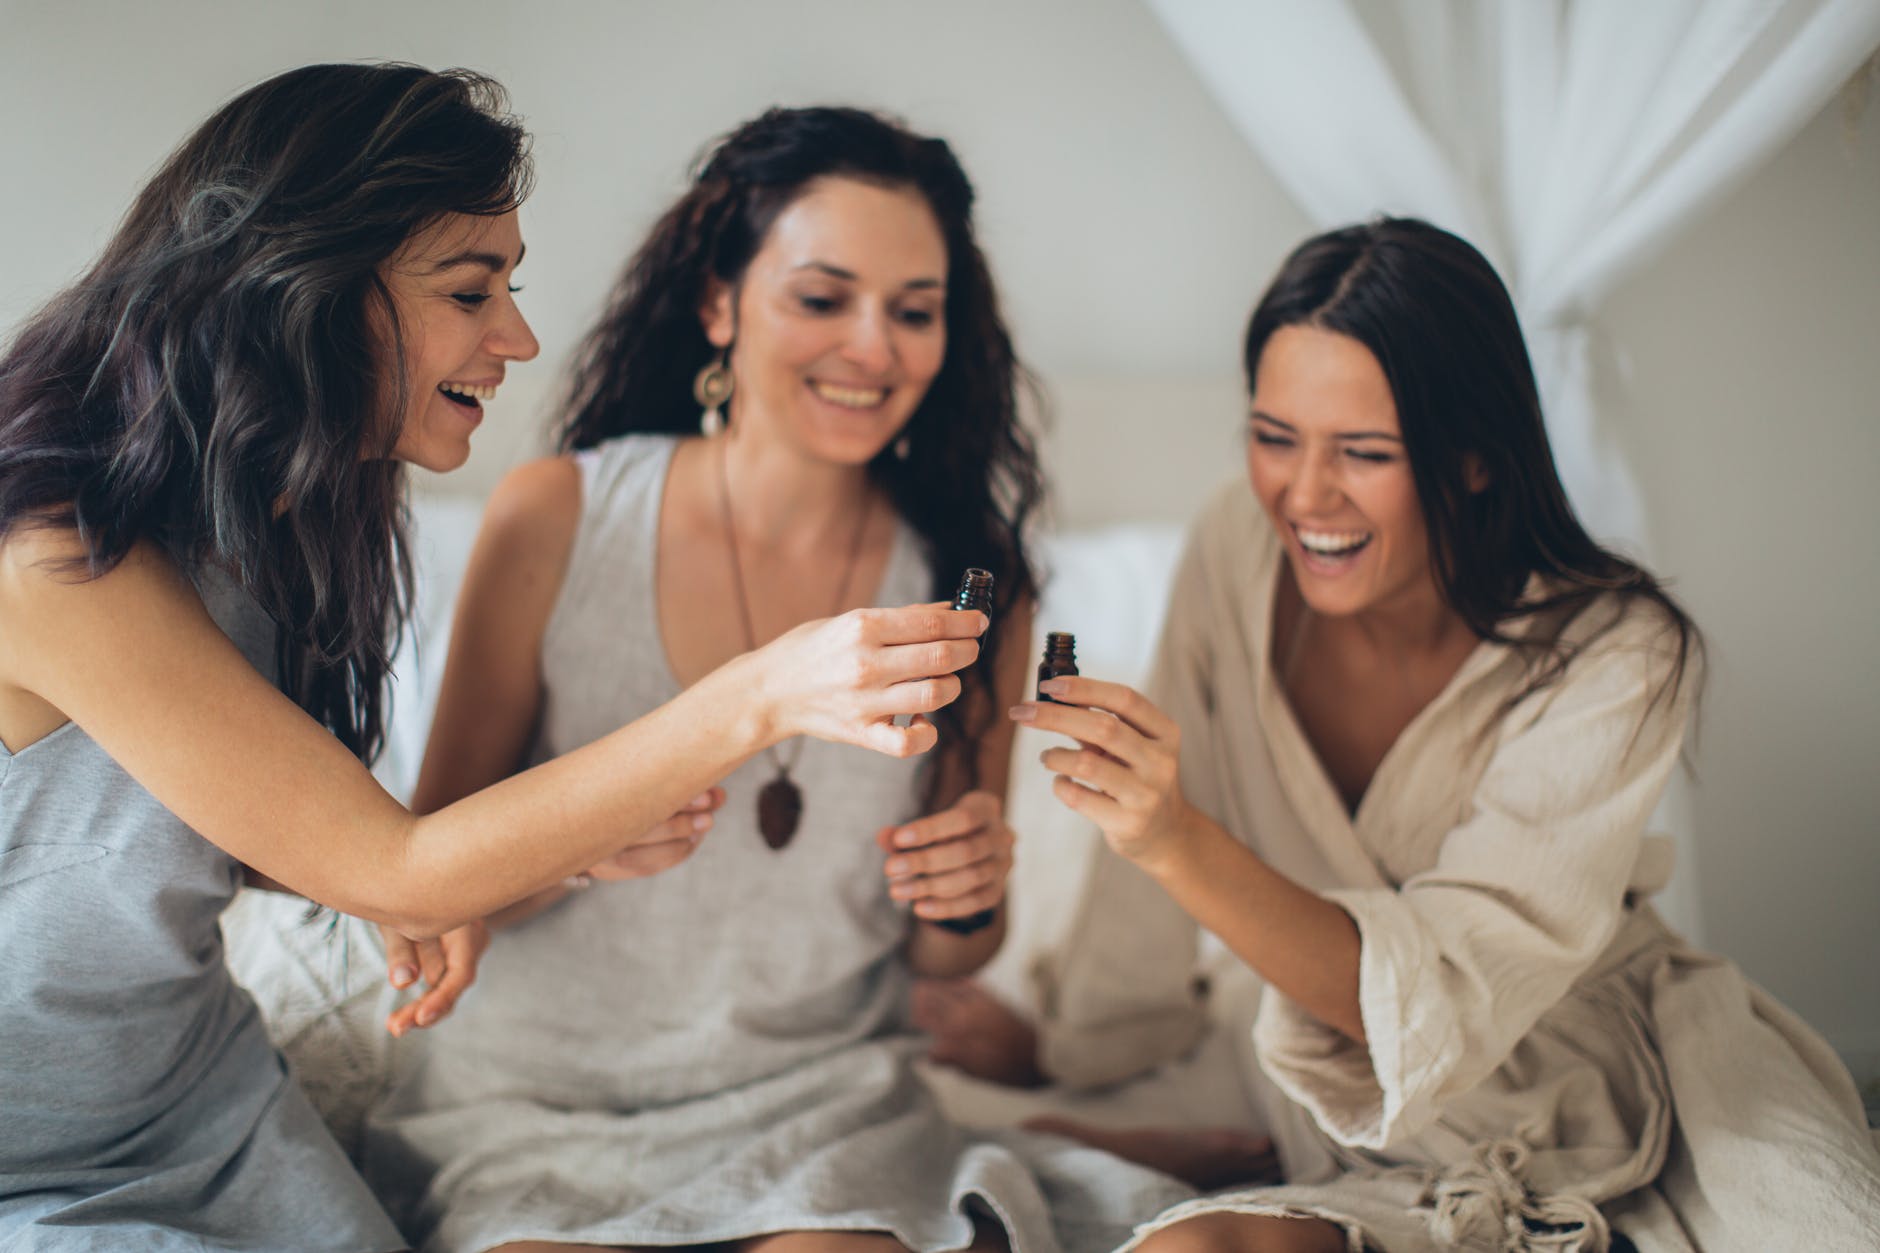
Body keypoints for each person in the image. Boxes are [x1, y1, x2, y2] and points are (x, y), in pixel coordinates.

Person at [0, 68, 982, 1252]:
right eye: (472, 290)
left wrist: (555, 853)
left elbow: (278, 850)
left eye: (508, 286)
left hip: (199, 1104)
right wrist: (765, 688)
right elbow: (395, 865)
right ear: (295, 290)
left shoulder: (286, 515)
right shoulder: (56, 561)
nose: (515, 335)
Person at [932, 218, 1880, 1251]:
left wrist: (1173, 836)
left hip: (1579, 1074)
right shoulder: (1230, 548)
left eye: (1364, 452)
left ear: (1471, 457)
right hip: (1338, 1103)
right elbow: (1139, 905)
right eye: (1272, 435)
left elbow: (1440, 992)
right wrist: (1069, 1044)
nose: (1302, 495)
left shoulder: (1621, 651)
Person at [359, 105, 1190, 1253]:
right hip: (536, 1105)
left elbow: (948, 955)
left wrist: (966, 890)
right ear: (718, 302)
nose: (872, 347)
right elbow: (428, 876)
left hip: (817, 1107)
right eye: (821, 296)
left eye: (913, 311)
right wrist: (580, 846)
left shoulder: (969, 585)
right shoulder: (558, 514)